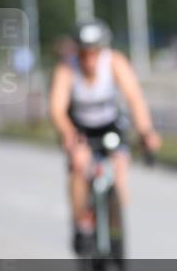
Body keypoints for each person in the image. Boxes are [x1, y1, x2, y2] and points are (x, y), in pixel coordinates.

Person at [49, 20, 161, 255]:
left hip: (110, 126)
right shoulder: (67, 69)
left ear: (101, 51)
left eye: (94, 53)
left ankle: (115, 226)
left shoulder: (115, 62)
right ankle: (82, 224)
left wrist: (146, 132)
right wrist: (68, 134)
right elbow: (57, 109)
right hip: (80, 129)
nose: (89, 60)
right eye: (84, 54)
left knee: (119, 167)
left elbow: (135, 98)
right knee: (79, 164)